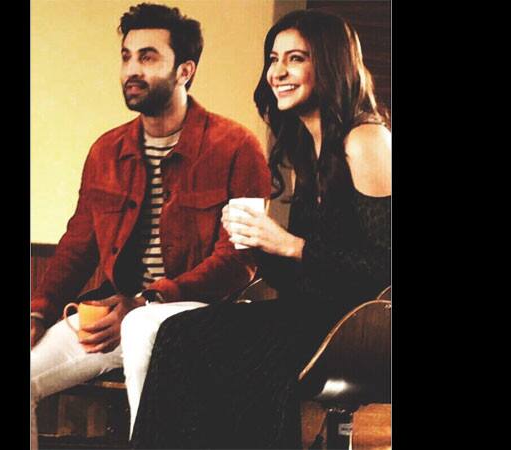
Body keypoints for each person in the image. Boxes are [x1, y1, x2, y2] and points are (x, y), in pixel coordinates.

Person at [131, 8, 391, 449]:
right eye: (273, 59)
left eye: (296, 58)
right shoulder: (309, 147)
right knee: (178, 334)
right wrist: (258, 243)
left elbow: (383, 271)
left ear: (331, 64)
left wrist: (290, 245)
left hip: (357, 330)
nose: (277, 72)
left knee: (205, 346)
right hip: (314, 313)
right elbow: (308, 274)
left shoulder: (365, 140)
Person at [30, 3, 271, 448]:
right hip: (116, 313)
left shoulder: (236, 146)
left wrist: (148, 300)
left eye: (148, 57)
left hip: (199, 315)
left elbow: (239, 261)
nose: (131, 70)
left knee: (143, 329)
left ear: (184, 70)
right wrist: (38, 311)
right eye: (126, 56)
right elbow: (77, 246)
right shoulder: (107, 151)